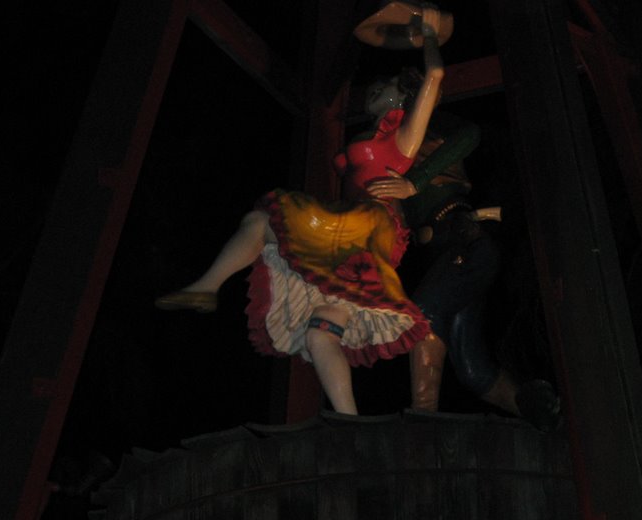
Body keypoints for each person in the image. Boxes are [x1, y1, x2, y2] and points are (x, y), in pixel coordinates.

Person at [154, 7, 446, 416]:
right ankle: (349, 422)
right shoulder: (372, 135)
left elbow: (434, 77)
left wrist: (429, 36)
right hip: (352, 230)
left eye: (382, 86)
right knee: (320, 332)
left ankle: (208, 285)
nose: (373, 90)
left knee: (272, 214)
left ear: (401, 95)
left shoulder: (401, 138)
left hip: (370, 224)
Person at [366, 110, 563, 429]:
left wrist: (414, 183)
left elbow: (470, 133)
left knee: (424, 311)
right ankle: (538, 411)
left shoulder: (430, 133)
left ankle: (423, 417)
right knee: (472, 369)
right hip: (441, 255)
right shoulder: (389, 163)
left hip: (466, 242)